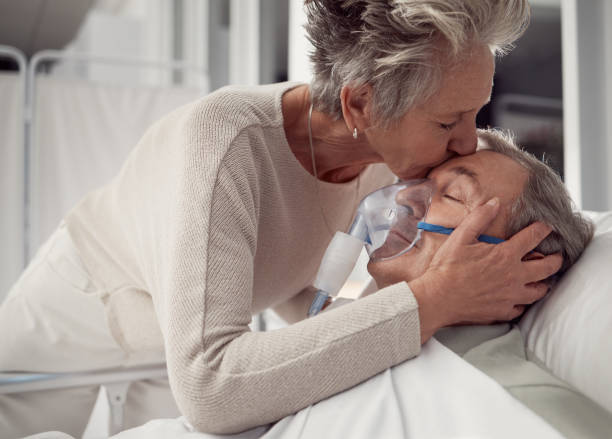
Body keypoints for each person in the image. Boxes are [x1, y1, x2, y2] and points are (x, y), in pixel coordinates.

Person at [0, 0, 562, 436]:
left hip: (185, 343)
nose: (469, 141)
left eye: (477, 112)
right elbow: (212, 389)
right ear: (361, 105)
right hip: (81, 309)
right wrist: (434, 299)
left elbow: (520, 193)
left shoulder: (406, 153)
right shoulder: (226, 144)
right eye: (449, 122)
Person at [364, 129, 611, 437]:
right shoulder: (355, 337)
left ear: (523, 266)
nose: (403, 197)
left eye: (453, 195)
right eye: (421, 184)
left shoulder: (527, 412)